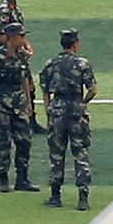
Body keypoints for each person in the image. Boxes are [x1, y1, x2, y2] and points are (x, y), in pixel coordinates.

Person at [38, 28, 97, 211]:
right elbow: (92, 89)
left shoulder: (51, 63)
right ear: (75, 43)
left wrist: (49, 108)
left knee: (56, 154)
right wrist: (82, 103)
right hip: (76, 111)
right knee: (80, 154)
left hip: (57, 111)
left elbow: (44, 88)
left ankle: (55, 196)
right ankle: (83, 198)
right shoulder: (82, 64)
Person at [0, 22, 39, 193]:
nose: (24, 39)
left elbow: (25, 81)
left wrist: (29, 104)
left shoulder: (21, 56)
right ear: (12, 37)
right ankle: (3, 178)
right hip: (3, 104)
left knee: (24, 141)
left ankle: (22, 178)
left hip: (20, 104)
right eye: (21, 36)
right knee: (3, 142)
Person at [0, 0, 47, 135]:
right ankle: (5, 122)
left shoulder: (12, 6)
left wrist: (25, 44)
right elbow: (2, 36)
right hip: (7, 56)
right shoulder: (4, 9)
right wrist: (22, 47)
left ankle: (30, 120)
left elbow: (18, 33)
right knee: (6, 89)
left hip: (18, 54)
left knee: (28, 87)